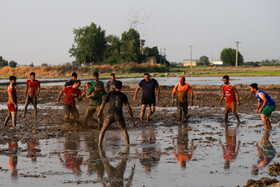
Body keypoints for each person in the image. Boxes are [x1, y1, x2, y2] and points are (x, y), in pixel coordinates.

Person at [98, 81, 135, 146]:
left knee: (103, 130)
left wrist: (99, 112)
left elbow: (103, 103)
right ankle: (128, 144)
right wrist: (132, 116)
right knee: (124, 130)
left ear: (114, 87)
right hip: (118, 115)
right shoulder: (123, 95)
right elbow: (128, 107)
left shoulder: (110, 94)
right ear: (121, 87)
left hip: (110, 114)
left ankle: (99, 144)